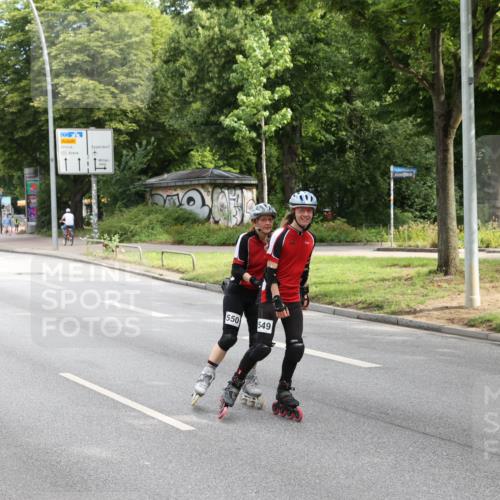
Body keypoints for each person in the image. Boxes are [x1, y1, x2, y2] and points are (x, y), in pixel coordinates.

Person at [218, 191, 317, 422]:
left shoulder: (310, 239)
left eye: (309, 211)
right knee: (262, 347)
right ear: (294, 211)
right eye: (301, 210)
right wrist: (276, 298)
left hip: (291, 298)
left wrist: (303, 292)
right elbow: (270, 272)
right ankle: (235, 383)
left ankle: (284, 390)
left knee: (296, 346)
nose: (305, 214)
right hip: (269, 296)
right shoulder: (281, 236)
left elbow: (304, 270)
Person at [191, 203, 277, 407]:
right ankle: (207, 374)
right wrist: (254, 280)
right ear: (254, 222)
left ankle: (249, 378)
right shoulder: (245, 240)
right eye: (263, 219)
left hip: (258, 297)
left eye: (270, 219)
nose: (267, 223)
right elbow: (236, 270)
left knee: (257, 342)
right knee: (229, 336)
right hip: (238, 293)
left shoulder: (274, 242)